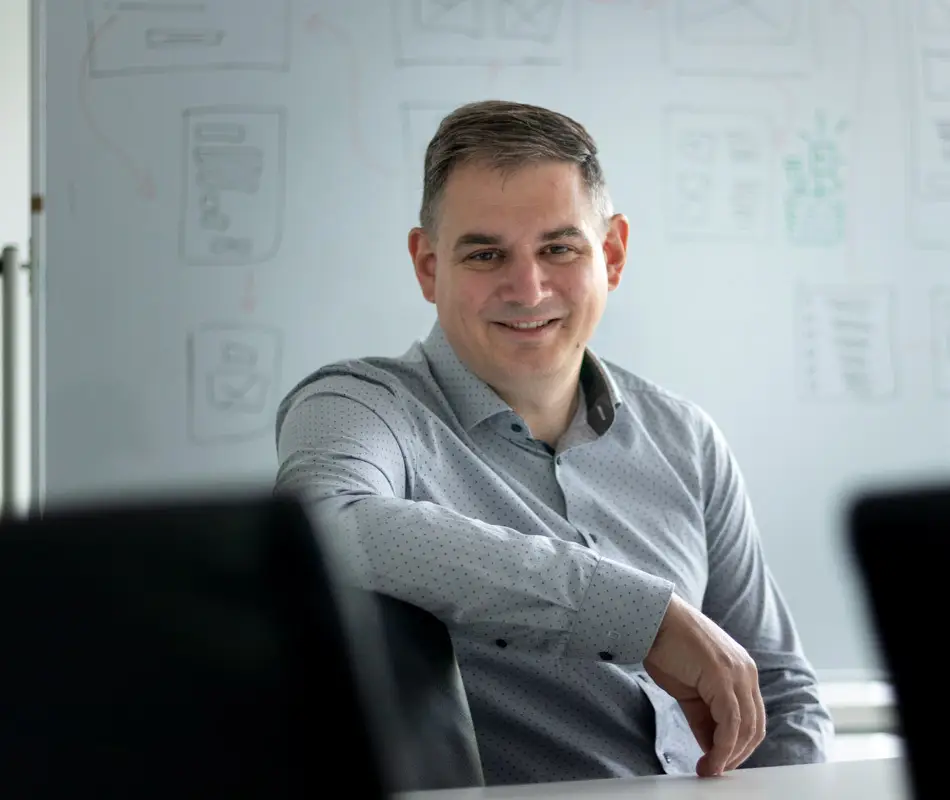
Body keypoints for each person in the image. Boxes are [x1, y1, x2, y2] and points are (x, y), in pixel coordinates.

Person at [274, 100, 833, 786]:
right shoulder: (360, 406)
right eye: (485, 253)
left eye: (558, 248)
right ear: (427, 266)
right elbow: (323, 524)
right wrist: (642, 618)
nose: (528, 287)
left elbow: (781, 691)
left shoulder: (686, 439)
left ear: (613, 254)